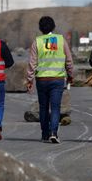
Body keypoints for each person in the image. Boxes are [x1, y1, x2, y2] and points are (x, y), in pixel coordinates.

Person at [25, 16, 74, 144]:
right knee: (56, 107)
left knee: (43, 107)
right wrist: (70, 75)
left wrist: (29, 80)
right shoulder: (61, 40)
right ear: (53, 26)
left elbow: (32, 63)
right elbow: (69, 61)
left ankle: (44, 134)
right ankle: (54, 132)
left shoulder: (37, 41)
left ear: (40, 28)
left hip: (42, 79)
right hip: (57, 79)